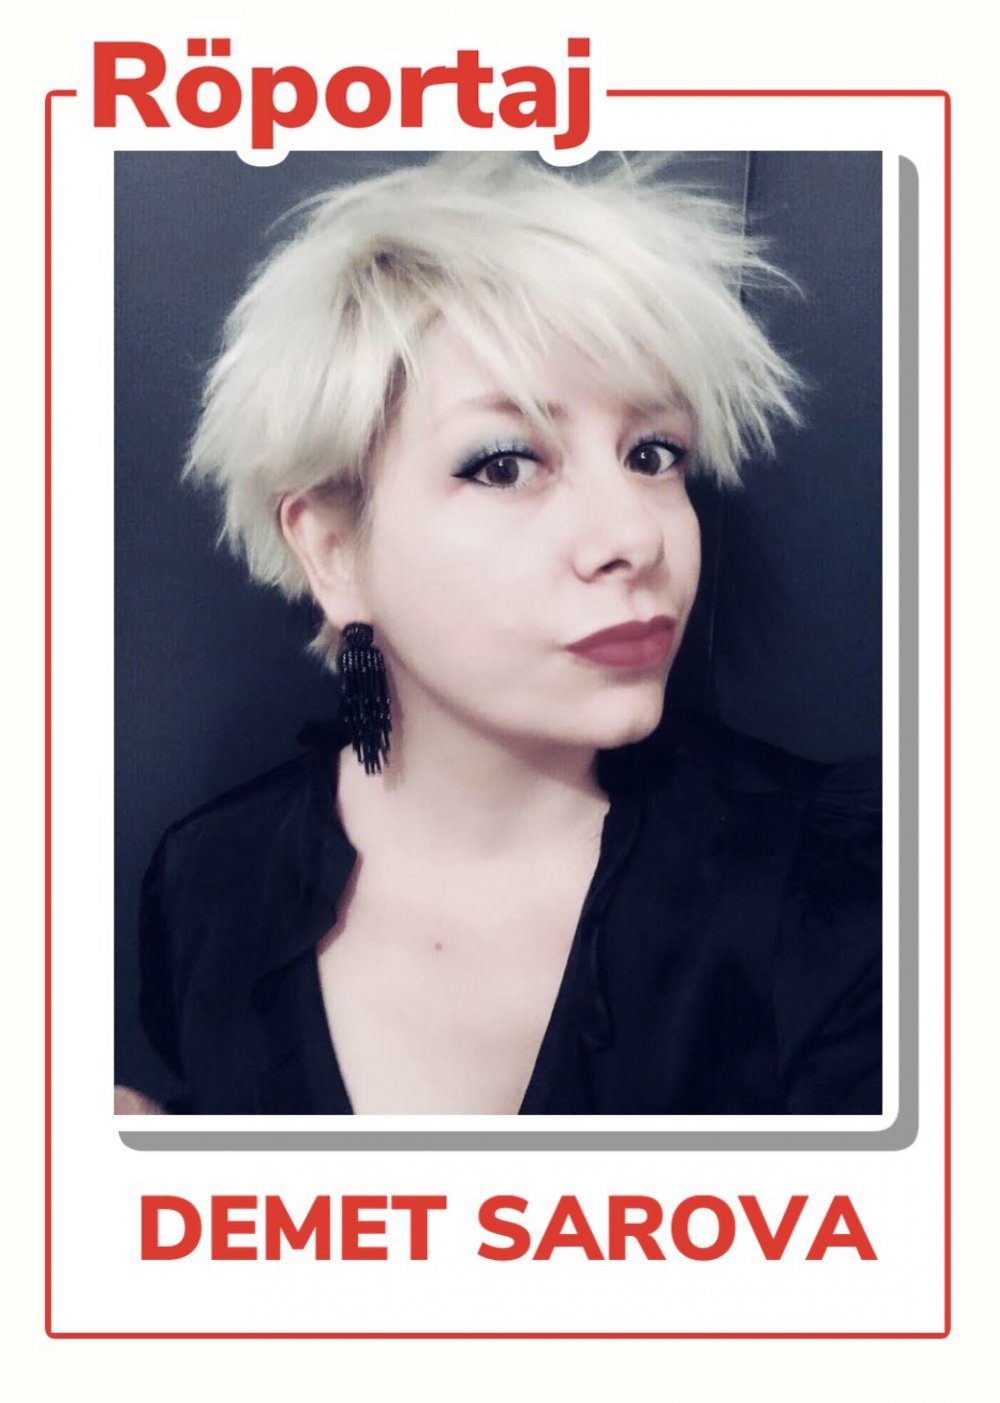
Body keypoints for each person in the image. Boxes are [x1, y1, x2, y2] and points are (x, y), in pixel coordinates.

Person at [116, 153, 881, 1116]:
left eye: (654, 454)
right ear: (335, 552)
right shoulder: (211, 884)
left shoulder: (840, 893)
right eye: (506, 464)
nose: (634, 535)